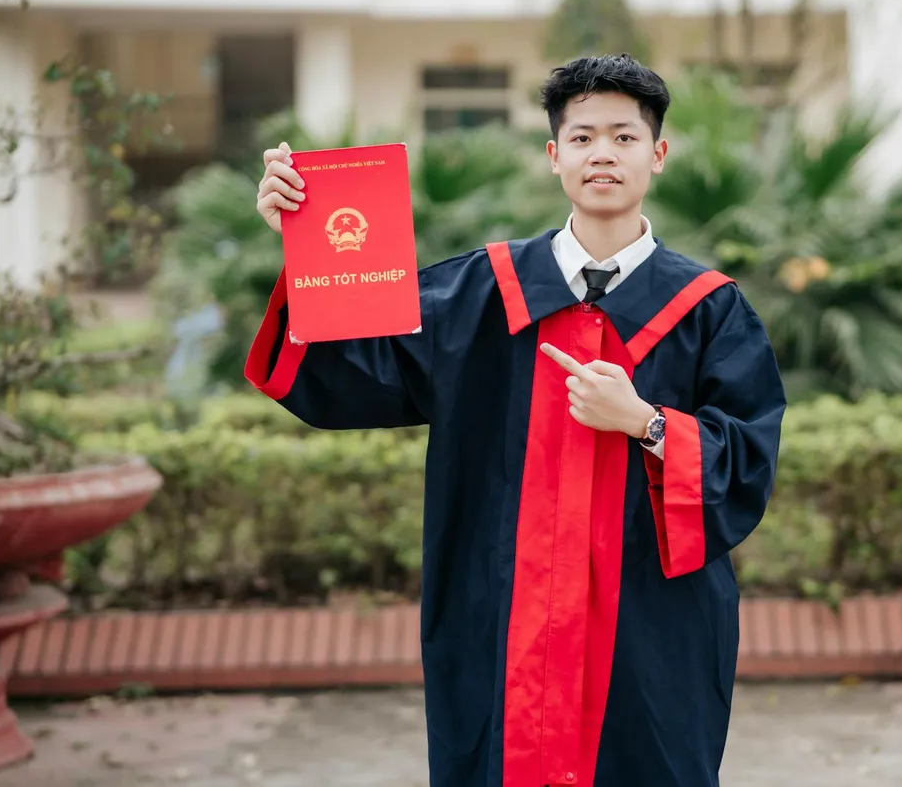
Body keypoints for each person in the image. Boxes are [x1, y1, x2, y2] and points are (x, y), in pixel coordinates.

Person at [247, 53, 786, 787]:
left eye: (625, 137)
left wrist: (646, 422)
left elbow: (749, 459)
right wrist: (303, 239)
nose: (603, 154)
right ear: (553, 155)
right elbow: (344, 372)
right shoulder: (475, 295)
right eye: (583, 137)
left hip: (647, 633)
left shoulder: (709, 309)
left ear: (658, 155)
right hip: (501, 618)